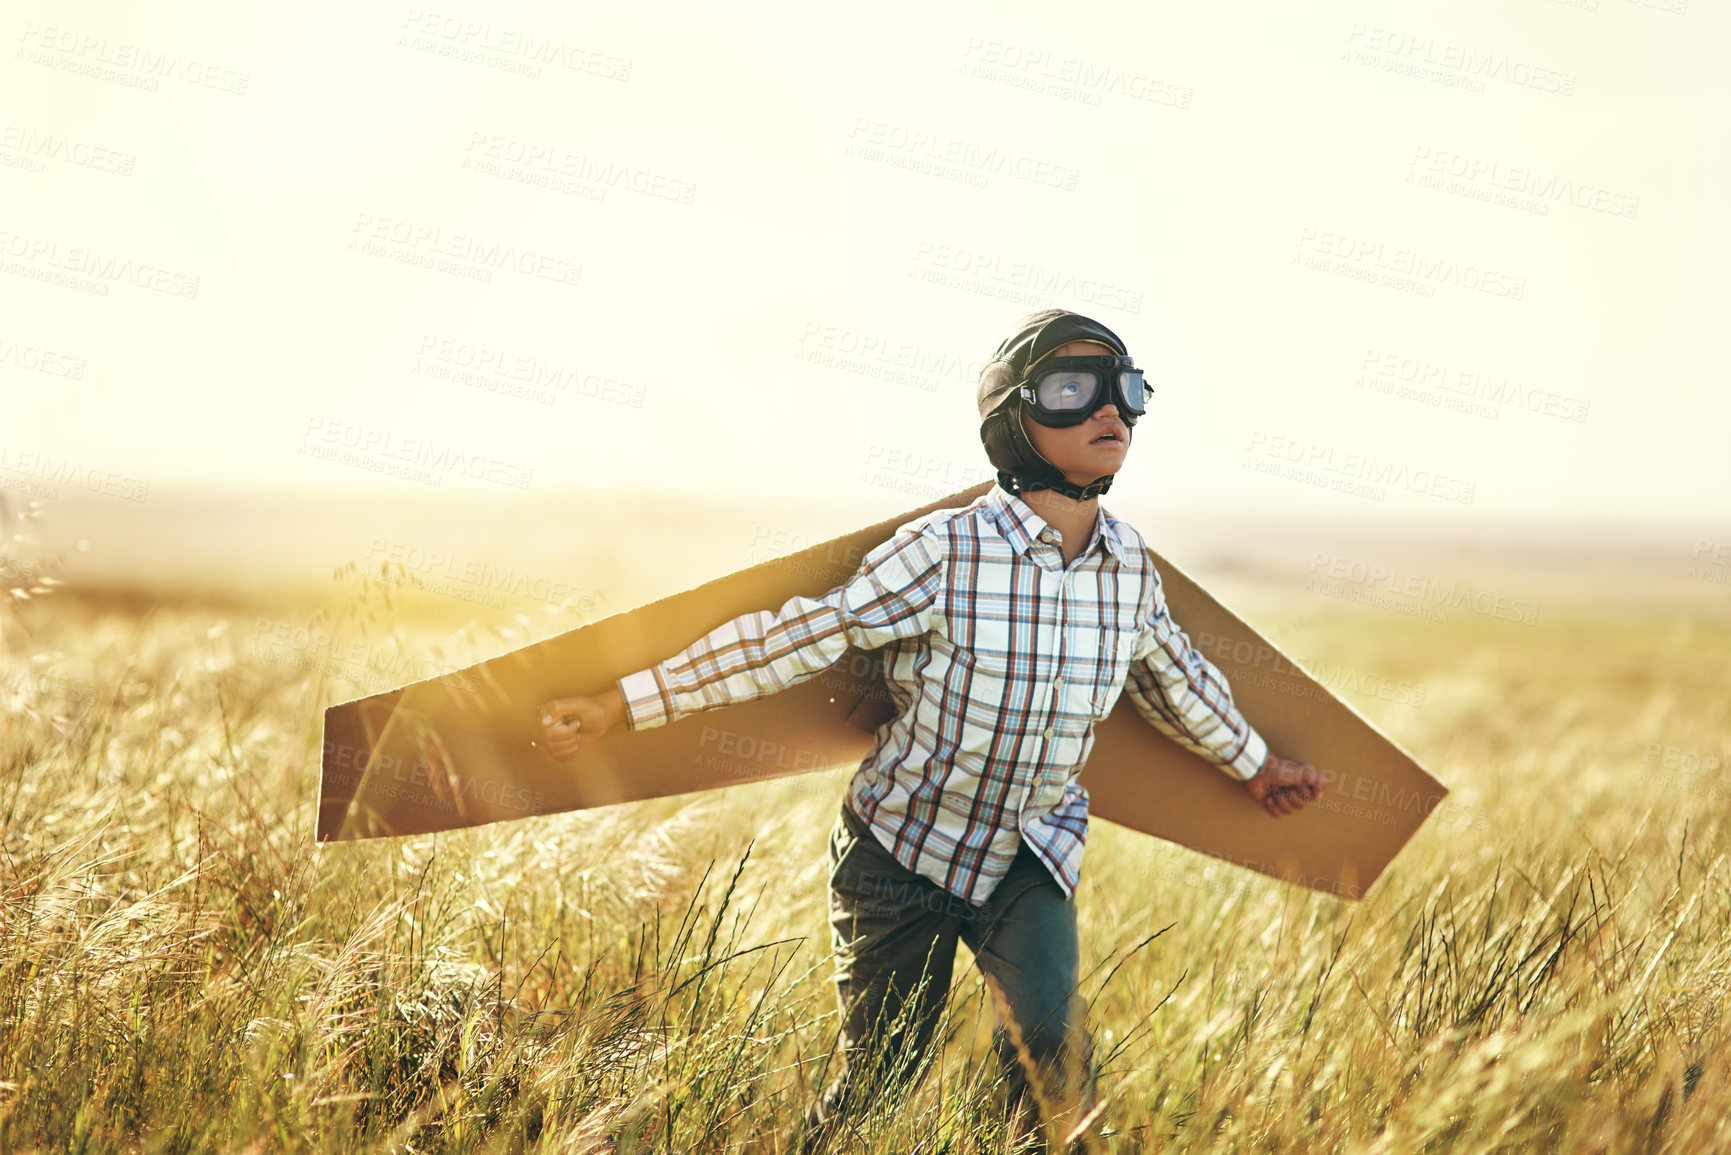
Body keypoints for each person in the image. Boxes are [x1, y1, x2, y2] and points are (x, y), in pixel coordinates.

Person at [536, 308, 1325, 1152]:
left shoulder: (1129, 566)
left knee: (1056, 1064)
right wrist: (626, 700)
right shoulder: (945, 551)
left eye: (1125, 392)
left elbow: (1176, 682)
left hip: (1030, 852)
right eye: (1073, 390)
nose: (1109, 413)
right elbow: (801, 636)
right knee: (881, 1078)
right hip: (900, 851)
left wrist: (1254, 764)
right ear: (1013, 420)